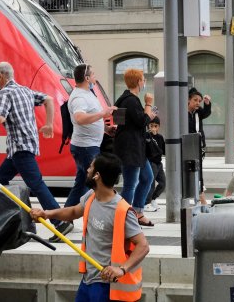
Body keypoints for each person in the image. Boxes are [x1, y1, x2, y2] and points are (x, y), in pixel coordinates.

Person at [29, 153, 149, 302]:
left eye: (90, 167)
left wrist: (121, 269)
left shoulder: (122, 210)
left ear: (97, 175)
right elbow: (73, 211)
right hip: (88, 279)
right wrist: (46, 214)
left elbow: (143, 245)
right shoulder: (91, 196)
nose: (87, 170)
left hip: (105, 284)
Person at [0, 62, 74, 238]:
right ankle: (4, 219)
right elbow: (48, 99)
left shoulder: (5, 92)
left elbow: (0, 118)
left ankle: (59, 221)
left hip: (19, 146)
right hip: (24, 147)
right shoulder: (24, 90)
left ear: (1, 76)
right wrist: (48, 124)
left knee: (36, 184)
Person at [64, 64, 117, 213]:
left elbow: (91, 116)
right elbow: (80, 118)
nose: (95, 77)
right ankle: (102, 215)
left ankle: (64, 218)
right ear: (87, 78)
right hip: (85, 147)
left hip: (88, 146)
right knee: (98, 183)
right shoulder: (79, 97)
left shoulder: (88, 93)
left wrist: (106, 129)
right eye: (93, 74)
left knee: (81, 184)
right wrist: (103, 114)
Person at [112, 68, 156, 227]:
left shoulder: (122, 98)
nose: (144, 82)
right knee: (131, 183)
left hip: (136, 149)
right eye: (143, 79)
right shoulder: (131, 100)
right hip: (130, 149)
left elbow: (118, 121)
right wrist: (149, 105)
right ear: (138, 82)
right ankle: (123, 217)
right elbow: (141, 121)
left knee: (147, 178)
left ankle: (137, 211)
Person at [187, 88, 211, 205]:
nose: (197, 103)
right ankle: (199, 198)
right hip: (186, 145)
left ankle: (201, 198)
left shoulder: (198, 112)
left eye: (199, 101)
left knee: (198, 170)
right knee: (188, 170)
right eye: (195, 100)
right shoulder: (183, 112)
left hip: (198, 145)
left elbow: (206, 113)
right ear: (188, 100)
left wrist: (207, 104)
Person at [144, 117, 165, 212]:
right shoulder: (147, 136)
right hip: (151, 162)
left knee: (163, 183)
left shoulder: (160, 137)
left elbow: (163, 150)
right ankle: (146, 203)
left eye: (155, 126)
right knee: (151, 184)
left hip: (158, 163)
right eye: (151, 126)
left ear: (158, 127)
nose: (153, 128)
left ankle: (153, 199)